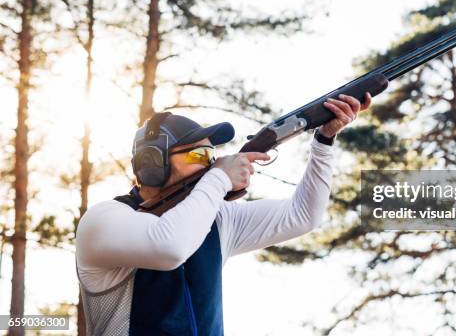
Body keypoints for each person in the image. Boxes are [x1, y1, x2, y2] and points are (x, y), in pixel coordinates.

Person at [75, 93, 372, 336]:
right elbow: (169, 247)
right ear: (153, 163)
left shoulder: (217, 220)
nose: (211, 164)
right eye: (199, 156)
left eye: (213, 157)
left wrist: (324, 141)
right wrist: (219, 179)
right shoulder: (103, 221)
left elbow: (303, 215)